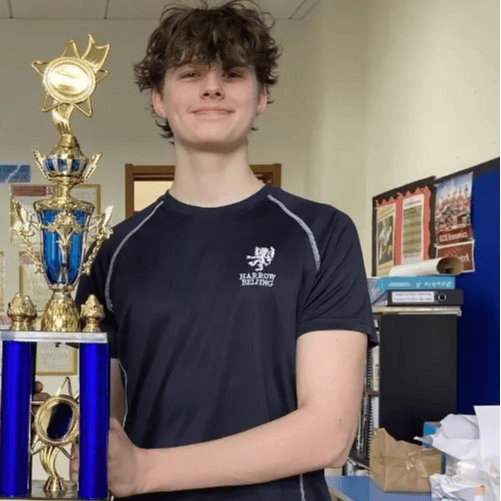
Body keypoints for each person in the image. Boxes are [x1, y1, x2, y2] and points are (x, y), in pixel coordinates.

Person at [74, 1, 377, 500]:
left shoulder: (321, 235)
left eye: (233, 74)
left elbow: (329, 433)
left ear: (261, 97)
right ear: (158, 98)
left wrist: (146, 470)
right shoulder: (115, 252)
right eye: (191, 73)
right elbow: (104, 421)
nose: (212, 87)